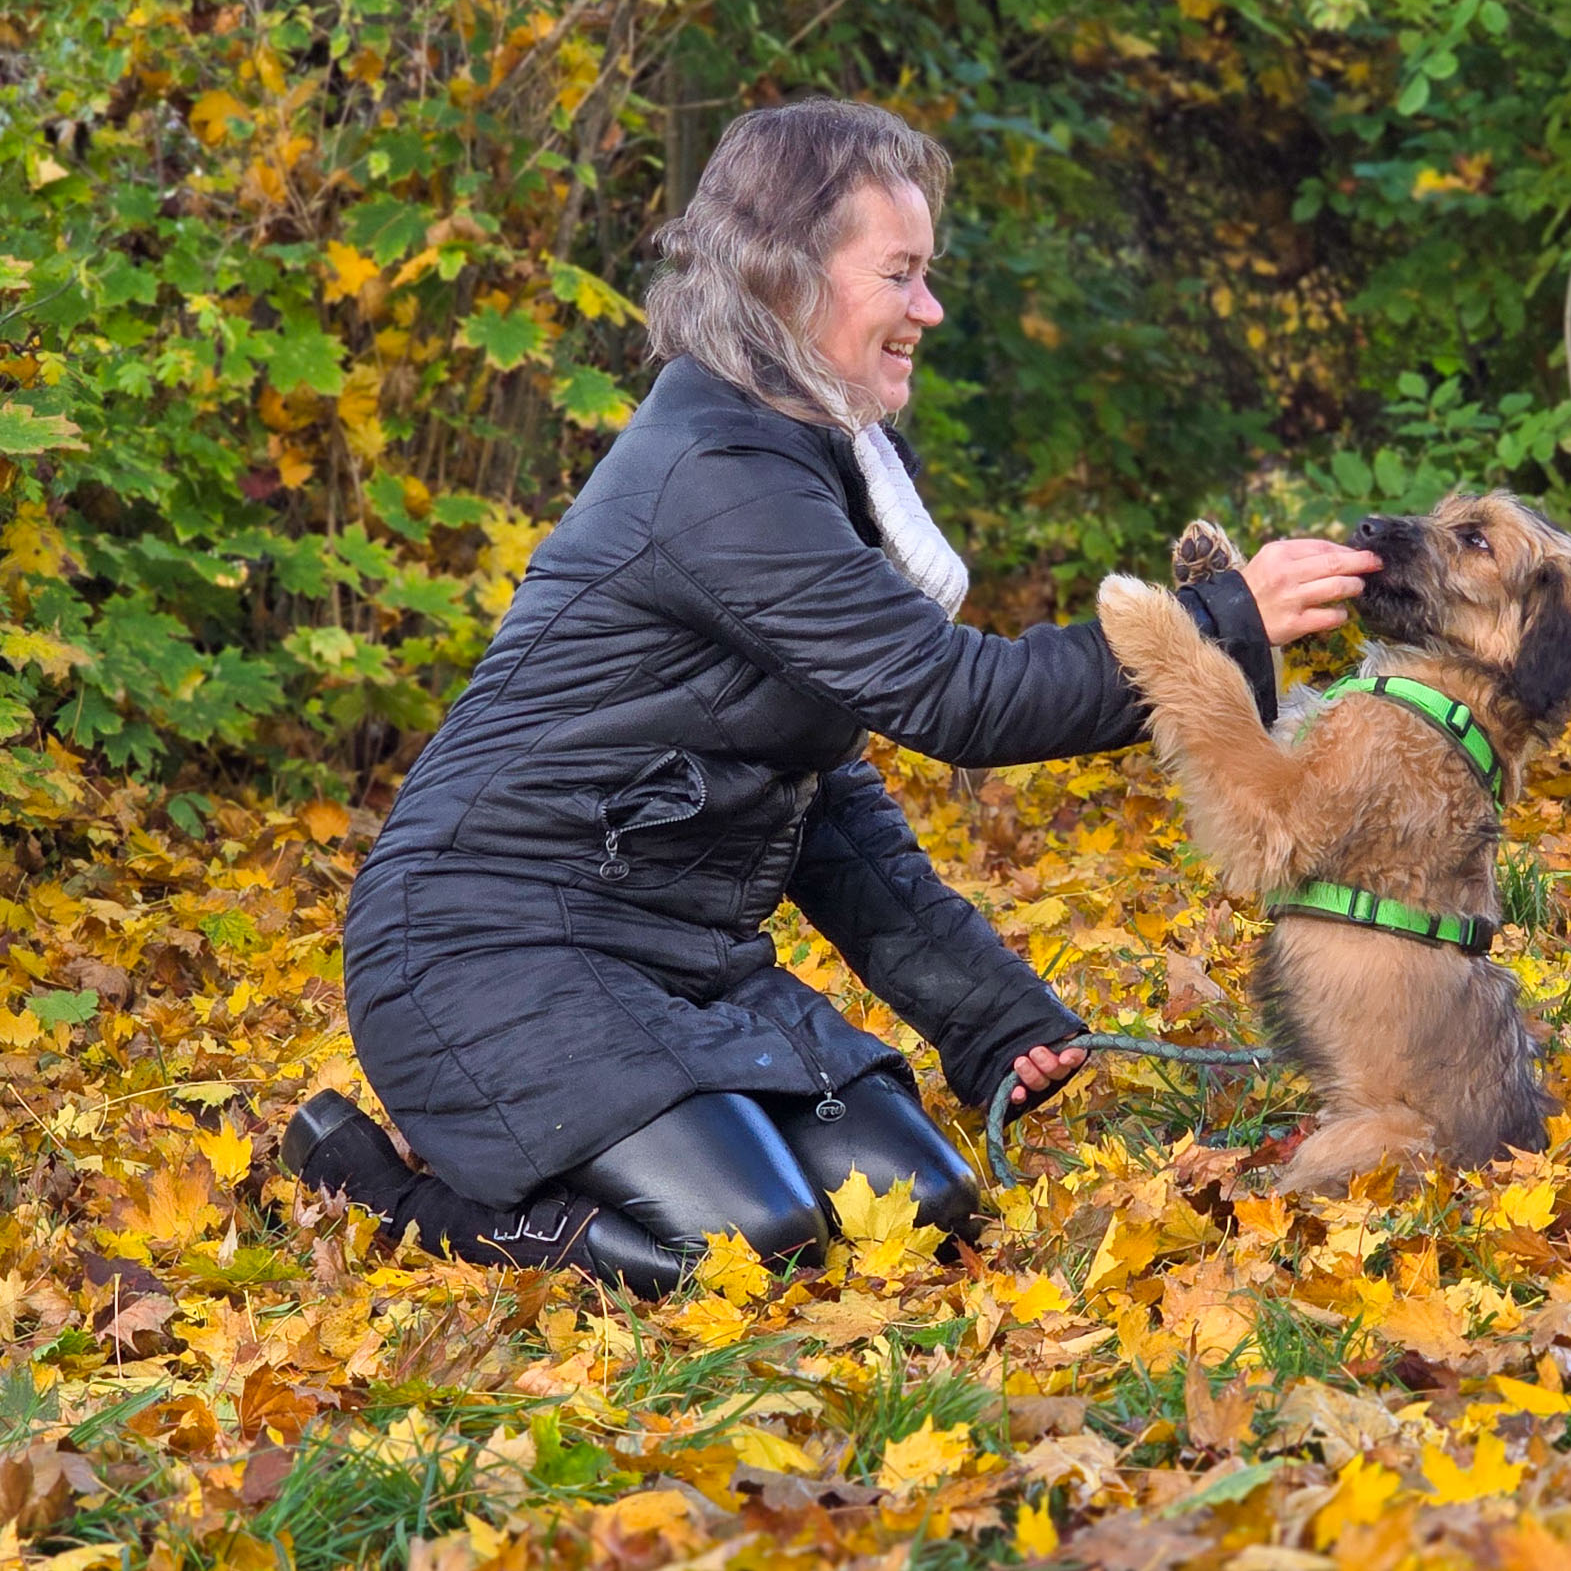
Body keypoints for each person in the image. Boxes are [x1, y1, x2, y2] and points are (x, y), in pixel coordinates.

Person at [282, 98, 1380, 1297]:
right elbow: (957, 697)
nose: (930, 310)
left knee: (925, 1212)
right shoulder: (717, 471)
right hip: (482, 947)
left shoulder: (819, 461)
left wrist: (989, 1020)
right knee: (737, 1249)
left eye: (928, 275)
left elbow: (822, 803)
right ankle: (372, 1187)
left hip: (673, 959)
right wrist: (1211, 630)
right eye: (900, 276)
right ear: (786, 276)